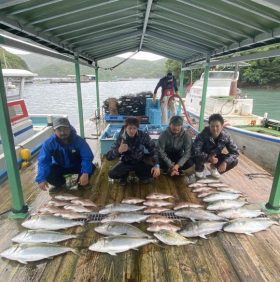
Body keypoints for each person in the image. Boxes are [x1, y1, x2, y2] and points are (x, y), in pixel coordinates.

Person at [35, 117, 94, 193]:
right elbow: (44, 161)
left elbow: (87, 157)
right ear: (54, 130)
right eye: (59, 130)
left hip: (77, 166)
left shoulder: (79, 141)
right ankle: (62, 184)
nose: (62, 132)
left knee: (91, 168)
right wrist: (41, 178)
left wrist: (85, 173)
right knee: (49, 175)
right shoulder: (49, 143)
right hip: (60, 167)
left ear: (70, 128)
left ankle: (80, 182)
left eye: (65, 129)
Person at [106, 117, 160, 186]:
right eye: (130, 128)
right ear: (125, 128)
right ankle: (124, 175)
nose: (132, 131)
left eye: (134, 128)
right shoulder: (121, 138)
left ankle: (140, 174)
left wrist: (157, 165)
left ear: (137, 128)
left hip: (139, 161)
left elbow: (153, 149)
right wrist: (118, 151)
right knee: (112, 174)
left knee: (154, 173)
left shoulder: (143, 135)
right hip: (125, 162)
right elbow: (108, 157)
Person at [193, 113, 239, 179]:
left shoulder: (226, 136)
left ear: (222, 126)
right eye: (212, 126)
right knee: (198, 176)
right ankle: (199, 168)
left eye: (217, 126)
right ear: (209, 126)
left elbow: (235, 152)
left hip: (216, 157)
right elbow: (196, 150)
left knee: (234, 161)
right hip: (202, 157)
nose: (215, 129)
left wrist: (225, 162)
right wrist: (208, 157)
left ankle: (214, 168)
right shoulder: (202, 135)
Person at [158, 116, 194, 182]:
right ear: (170, 124)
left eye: (179, 125)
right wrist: (170, 164)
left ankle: (176, 169)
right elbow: (161, 151)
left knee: (191, 161)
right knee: (157, 158)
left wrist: (178, 165)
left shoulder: (186, 135)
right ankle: (170, 169)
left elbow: (187, 153)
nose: (176, 128)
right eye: (174, 125)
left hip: (178, 155)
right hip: (167, 154)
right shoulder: (164, 134)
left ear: (181, 126)